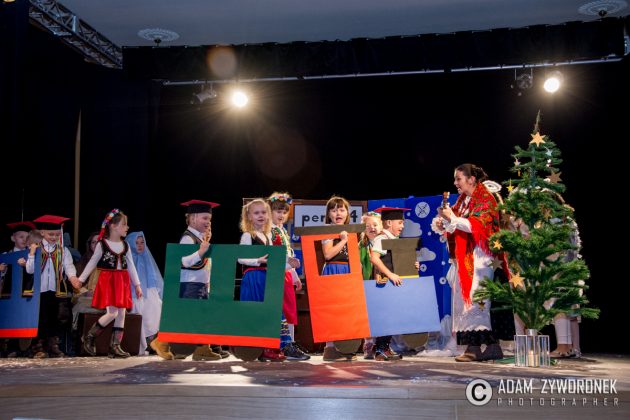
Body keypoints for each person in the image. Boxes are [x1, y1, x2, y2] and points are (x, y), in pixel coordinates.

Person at [434, 163, 504, 362]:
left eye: (458, 178)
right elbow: (456, 223)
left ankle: (474, 347)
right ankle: (492, 347)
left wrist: (452, 219)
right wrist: (444, 222)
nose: (455, 183)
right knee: (465, 301)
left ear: (471, 179)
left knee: (476, 300)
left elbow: (477, 225)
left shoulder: (486, 198)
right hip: (466, 257)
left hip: (481, 257)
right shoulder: (464, 200)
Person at [151, 199, 226, 361]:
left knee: (202, 317)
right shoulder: (188, 238)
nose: (208, 222)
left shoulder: (200, 238)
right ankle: (160, 342)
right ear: (192, 218)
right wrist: (200, 252)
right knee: (185, 317)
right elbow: (184, 261)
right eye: (205, 218)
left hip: (200, 285)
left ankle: (202, 349)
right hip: (189, 285)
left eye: (209, 219)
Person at [70, 209, 143, 358]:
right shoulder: (102, 244)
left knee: (121, 312)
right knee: (112, 312)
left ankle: (115, 346)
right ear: (113, 226)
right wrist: (81, 280)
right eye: (124, 224)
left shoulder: (125, 245)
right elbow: (92, 263)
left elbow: (130, 266)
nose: (127, 227)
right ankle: (89, 336)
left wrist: (137, 285)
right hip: (109, 280)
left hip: (122, 280)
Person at [239, 198, 286, 362]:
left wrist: (288, 264)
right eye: (256, 213)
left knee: (268, 312)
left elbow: (272, 258)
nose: (261, 216)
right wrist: (257, 260)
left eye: (264, 212)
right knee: (256, 311)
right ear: (249, 217)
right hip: (253, 277)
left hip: (266, 277)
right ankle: (257, 348)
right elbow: (240, 258)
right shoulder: (248, 235)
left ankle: (268, 346)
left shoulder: (268, 236)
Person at [369, 207, 419, 361]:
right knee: (386, 317)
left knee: (392, 317)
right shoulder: (382, 238)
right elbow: (374, 258)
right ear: (389, 223)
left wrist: (413, 265)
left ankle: (385, 347)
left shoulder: (395, 241)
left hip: (394, 285)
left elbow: (399, 261)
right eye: (400, 222)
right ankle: (380, 349)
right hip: (385, 284)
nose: (402, 226)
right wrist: (389, 274)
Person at [26, 215, 79, 358]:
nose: (54, 237)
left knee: (56, 319)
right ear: (42, 233)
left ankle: (53, 346)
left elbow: (68, 266)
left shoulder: (63, 250)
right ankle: (38, 348)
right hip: (39, 291)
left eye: (57, 234)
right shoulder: (36, 249)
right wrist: (31, 254)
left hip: (56, 290)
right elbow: (30, 270)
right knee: (40, 319)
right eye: (51, 234)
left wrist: (73, 277)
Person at [268, 192, 310, 361]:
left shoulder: (282, 230)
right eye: (278, 211)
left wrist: (294, 276)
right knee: (280, 310)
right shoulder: (269, 231)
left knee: (289, 309)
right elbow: (273, 255)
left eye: (285, 212)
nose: (282, 215)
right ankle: (282, 345)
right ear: (270, 211)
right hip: (275, 273)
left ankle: (289, 343)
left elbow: (289, 255)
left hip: (285, 274)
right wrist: (288, 266)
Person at [320, 195, 357, 362]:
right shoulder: (327, 230)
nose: (338, 213)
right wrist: (343, 241)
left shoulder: (350, 230)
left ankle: (343, 347)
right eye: (334, 210)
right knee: (333, 310)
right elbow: (328, 254)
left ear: (347, 213)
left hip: (348, 270)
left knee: (346, 310)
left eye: (341, 210)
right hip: (334, 269)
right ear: (328, 214)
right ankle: (329, 348)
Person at [126, 231, 164, 355]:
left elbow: (154, 277)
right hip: (134, 293)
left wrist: (156, 292)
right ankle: (140, 344)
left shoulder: (146, 256)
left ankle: (152, 341)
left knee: (155, 311)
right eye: (136, 243)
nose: (140, 245)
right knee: (139, 314)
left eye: (142, 242)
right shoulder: (128, 259)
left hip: (149, 290)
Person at [358, 211, 383, 359]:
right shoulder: (361, 246)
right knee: (367, 315)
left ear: (381, 226)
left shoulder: (387, 242)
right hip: (367, 283)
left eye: (375, 224)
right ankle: (368, 344)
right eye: (368, 226)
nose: (372, 228)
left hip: (383, 283)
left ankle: (382, 345)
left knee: (381, 314)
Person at [71, 232, 103, 333]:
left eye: (99, 242)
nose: (97, 245)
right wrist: (86, 292)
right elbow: (75, 284)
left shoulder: (110, 262)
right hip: (86, 296)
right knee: (80, 303)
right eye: (94, 242)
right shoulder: (83, 261)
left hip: (104, 298)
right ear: (90, 245)